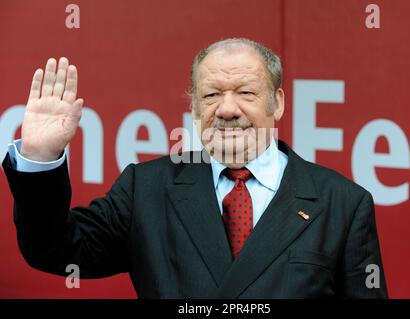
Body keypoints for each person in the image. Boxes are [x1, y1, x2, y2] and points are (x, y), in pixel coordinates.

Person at [2, 38, 388, 298]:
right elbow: (54, 250)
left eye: (247, 93)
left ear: (278, 103)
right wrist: (40, 158)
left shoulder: (342, 204)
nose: (227, 109)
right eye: (211, 95)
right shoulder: (147, 189)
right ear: (194, 108)